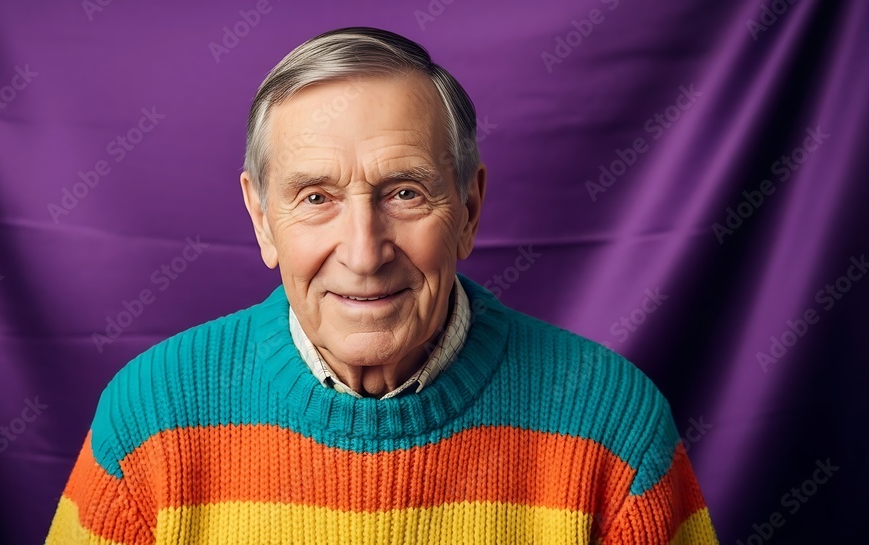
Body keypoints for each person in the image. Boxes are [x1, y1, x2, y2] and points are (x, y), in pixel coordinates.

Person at [46, 27, 719, 544]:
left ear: (469, 208)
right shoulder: (149, 418)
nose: (364, 253)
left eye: (404, 191)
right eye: (316, 197)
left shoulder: (615, 429)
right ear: (261, 218)